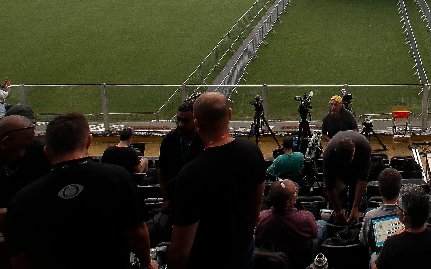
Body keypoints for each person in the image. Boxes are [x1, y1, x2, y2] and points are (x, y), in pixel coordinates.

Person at [4, 113, 156, 269]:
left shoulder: (22, 200)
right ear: (88, 141)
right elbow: (137, 232)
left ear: (47, 152)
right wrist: (147, 264)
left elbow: (19, 258)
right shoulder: (117, 178)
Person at [167, 92, 265, 269]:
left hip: (209, 258)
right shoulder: (252, 150)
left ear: (197, 124)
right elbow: (257, 200)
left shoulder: (191, 174)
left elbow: (179, 250)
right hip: (244, 248)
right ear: (229, 114)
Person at [373, 185, 431, 269]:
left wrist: (393, 237)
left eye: (398, 207)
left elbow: (375, 267)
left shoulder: (392, 244)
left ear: (404, 216)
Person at [256, 179, 327, 269]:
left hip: (274, 260)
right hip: (301, 260)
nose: (296, 195)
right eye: (295, 193)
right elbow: (315, 234)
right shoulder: (306, 218)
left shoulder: (261, 219)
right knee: (322, 223)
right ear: (288, 203)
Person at [158, 98, 204, 213]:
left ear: (196, 121)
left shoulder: (205, 140)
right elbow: (161, 170)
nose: (180, 124)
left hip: (201, 203)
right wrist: (166, 198)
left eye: (185, 121)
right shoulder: (169, 139)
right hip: (175, 202)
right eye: (178, 120)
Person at [323, 130, 371, 224]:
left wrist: (355, 207)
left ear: (354, 152)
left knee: (354, 189)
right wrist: (338, 211)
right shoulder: (329, 153)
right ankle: (344, 209)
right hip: (338, 172)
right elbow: (330, 187)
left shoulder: (364, 146)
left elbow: (362, 179)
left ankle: (353, 210)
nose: (346, 166)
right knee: (341, 195)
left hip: (356, 168)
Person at [360, 168, 402, 260]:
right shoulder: (408, 214)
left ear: (380, 190)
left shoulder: (370, 216)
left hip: (381, 260)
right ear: (400, 188)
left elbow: (364, 241)